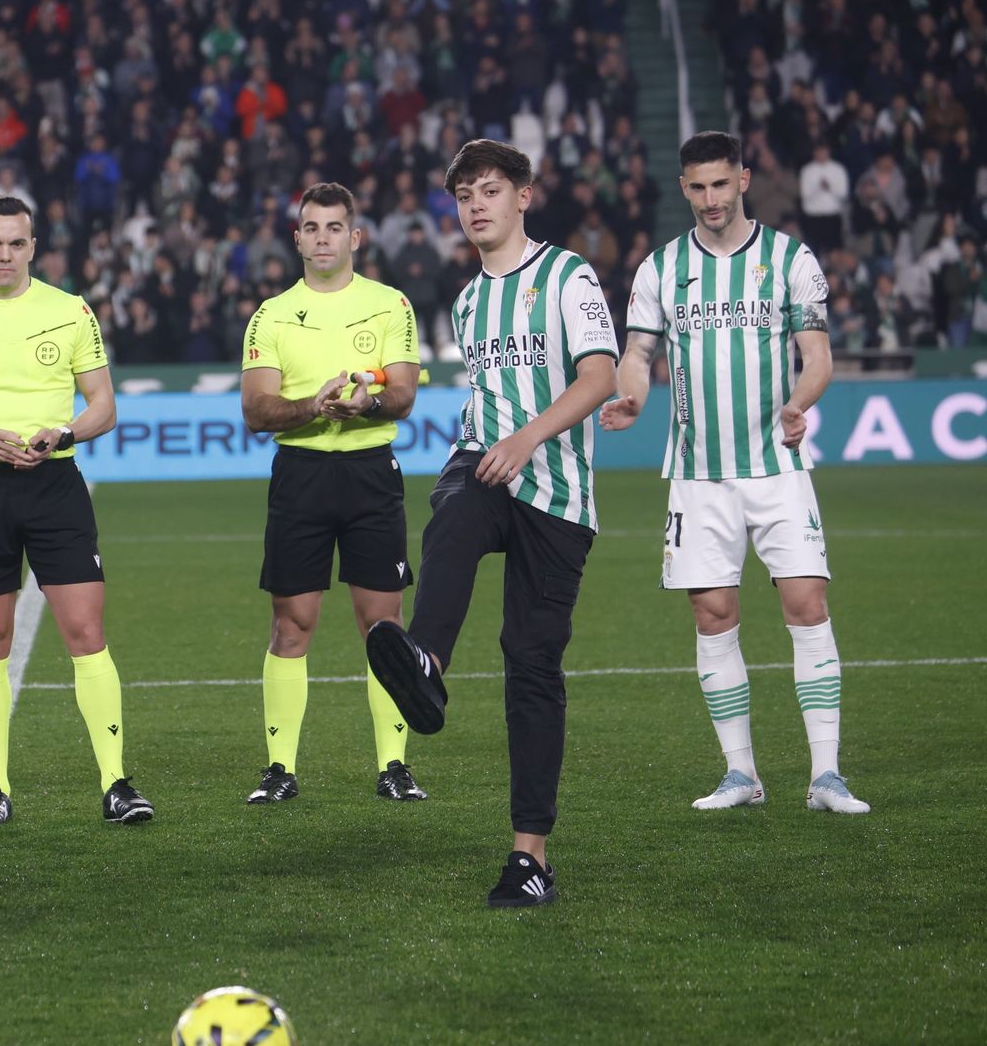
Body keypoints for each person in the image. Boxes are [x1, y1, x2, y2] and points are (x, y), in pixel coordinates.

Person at [364, 140, 620, 907]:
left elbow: (600, 377)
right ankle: (427, 669)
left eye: (489, 190)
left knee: (532, 664)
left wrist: (530, 438)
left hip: (558, 491)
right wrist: (498, 443)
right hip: (484, 461)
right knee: (451, 514)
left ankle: (529, 856)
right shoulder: (470, 298)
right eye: (464, 195)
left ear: (522, 197)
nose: (475, 205)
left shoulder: (568, 277)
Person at [600, 130, 870, 816]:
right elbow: (638, 351)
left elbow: (818, 357)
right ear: (684, 187)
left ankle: (828, 775)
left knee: (807, 604)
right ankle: (741, 775)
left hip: (777, 467)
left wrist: (798, 403)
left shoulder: (789, 260)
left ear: (744, 179)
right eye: (698, 187)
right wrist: (632, 393)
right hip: (698, 473)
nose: (711, 199)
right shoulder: (661, 268)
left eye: (722, 183)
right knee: (713, 614)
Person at [0, 194, 154, 828]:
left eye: (16, 243)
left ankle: (116, 783)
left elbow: (103, 405)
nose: (4, 254)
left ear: (33, 248)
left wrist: (62, 434)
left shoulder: (70, 312)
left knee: (85, 634)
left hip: (54, 485)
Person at [238, 181, 425, 805]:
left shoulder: (390, 304)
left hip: (372, 472)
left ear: (355, 236)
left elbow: (403, 392)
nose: (323, 238)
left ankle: (394, 767)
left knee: (384, 626)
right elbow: (257, 410)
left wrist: (370, 402)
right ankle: (279, 769)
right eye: (311, 228)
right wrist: (308, 407)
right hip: (302, 475)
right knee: (293, 624)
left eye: (334, 227)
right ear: (297, 239)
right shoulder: (270, 314)